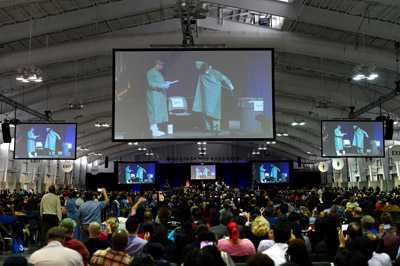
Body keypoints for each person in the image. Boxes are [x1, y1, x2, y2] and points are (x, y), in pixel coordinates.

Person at [192, 61, 234, 133]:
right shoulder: (201, 74)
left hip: (215, 95)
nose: (206, 72)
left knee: (215, 111)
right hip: (205, 95)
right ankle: (207, 127)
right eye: (205, 71)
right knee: (205, 110)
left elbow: (224, 78)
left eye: (207, 70)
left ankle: (216, 128)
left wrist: (230, 85)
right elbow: (197, 63)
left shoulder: (215, 72)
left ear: (209, 67)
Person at [146, 59, 178, 137]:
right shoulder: (150, 72)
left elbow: (158, 82)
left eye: (162, 65)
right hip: (154, 95)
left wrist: (166, 83)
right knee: (154, 112)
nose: (162, 67)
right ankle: (154, 130)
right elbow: (151, 84)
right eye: (161, 65)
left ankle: (155, 129)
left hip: (159, 95)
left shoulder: (158, 72)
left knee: (157, 113)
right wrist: (162, 85)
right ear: (156, 64)